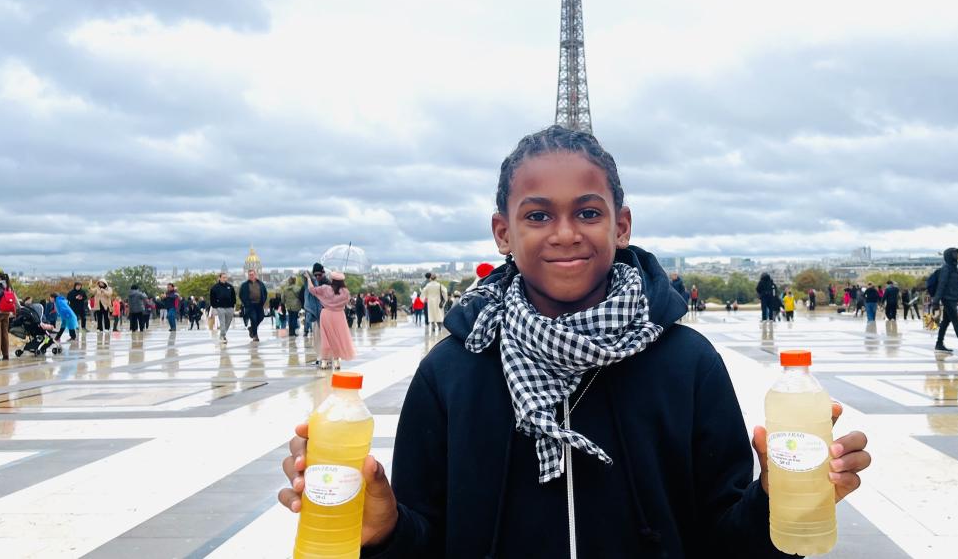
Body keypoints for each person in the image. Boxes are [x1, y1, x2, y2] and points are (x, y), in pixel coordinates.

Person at [276, 125, 871, 557]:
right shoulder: (452, 371)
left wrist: (774, 497)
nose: (564, 234)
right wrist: (383, 529)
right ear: (502, 233)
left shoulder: (687, 363)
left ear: (622, 224)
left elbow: (725, 542)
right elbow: (425, 541)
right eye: (537, 216)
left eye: (588, 213)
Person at [303, 270, 356, 369]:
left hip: (326, 314)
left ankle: (324, 361)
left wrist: (309, 278)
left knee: (326, 338)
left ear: (332, 279)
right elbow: (348, 303)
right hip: (339, 315)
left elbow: (311, 289)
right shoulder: (345, 292)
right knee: (337, 338)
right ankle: (336, 361)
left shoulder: (325, 288)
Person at [239, 269, 268, 342]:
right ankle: (255, 335)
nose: (251, 276)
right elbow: (241, 295)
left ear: (255, 275)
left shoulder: (260, 283)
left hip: (259, 304)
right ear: (248, 276)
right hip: (250, 305)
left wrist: (263, 301)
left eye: (252, 274)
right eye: (250, 275)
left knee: (261, 317)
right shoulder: (244, 285)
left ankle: (251, 328)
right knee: (254, 319)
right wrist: (245, 303)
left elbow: (265, 293)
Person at [209, 273, 237, 342]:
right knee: (222, 322)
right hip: (220, 307)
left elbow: (233, 296)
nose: (225, 279)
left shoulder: (230, 287)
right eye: (223, 277)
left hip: (229, 307)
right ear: (220, 278)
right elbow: (212, 298)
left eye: (226, 277)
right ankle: (223, 336)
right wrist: (214, 306)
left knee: (228, 321)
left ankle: (222, 334)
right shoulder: (215, 287)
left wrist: (233, 305)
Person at [303, 263, 327, 340]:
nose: (317, 277)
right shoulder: (311, 282)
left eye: (319, 275)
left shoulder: (326, 282)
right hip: (315, 311)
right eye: (315, 275)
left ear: (322, 273)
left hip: (325, 310)